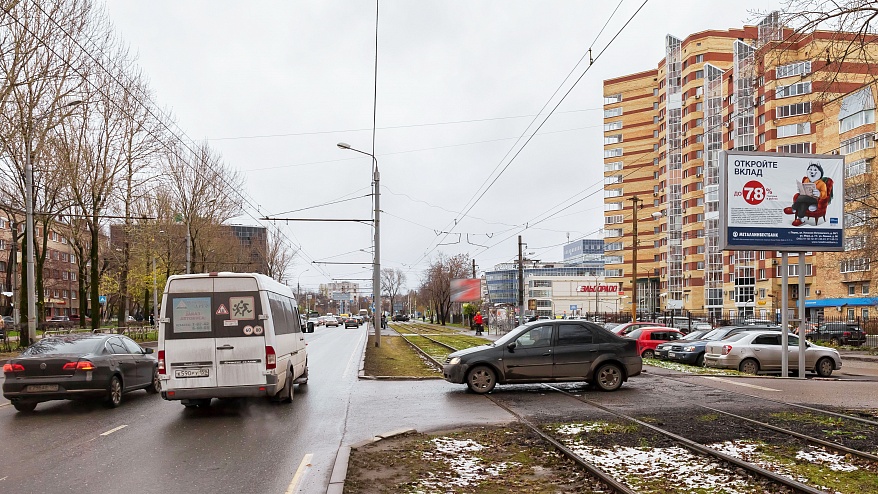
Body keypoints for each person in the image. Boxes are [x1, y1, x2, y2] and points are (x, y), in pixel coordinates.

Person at [783, 162, 829, 226]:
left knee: (801, 197)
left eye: (815, 170)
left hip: (815, 200)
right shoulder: (806, 180)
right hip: (806, 198)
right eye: (810, 170)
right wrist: (800, 190)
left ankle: (793, 208)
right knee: (803, 203)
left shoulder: (822, 184)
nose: (812, 172)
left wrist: (819, 193)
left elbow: (824, 194)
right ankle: (801, 219)